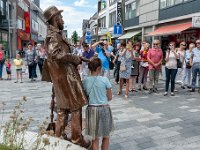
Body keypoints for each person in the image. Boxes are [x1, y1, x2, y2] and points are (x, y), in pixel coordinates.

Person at [43, 6, 90, 148]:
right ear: (56, 19)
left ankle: (58, 137)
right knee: (76, 107)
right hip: (66, 78)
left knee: (63, 108)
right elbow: (55, 55)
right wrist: (74, 58)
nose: (63, 20)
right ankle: (77, 139)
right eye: (61, 17)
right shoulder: (53, 36)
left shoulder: (56, 35)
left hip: (63, 77)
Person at [83, 57, 114, 150]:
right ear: (99, 68)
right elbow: (110, 97)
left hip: (91, 109)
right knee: (106, 136)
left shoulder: (85, 81)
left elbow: (85, 96)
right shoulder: (105, 80)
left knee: (95, 138)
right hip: (104, 109)